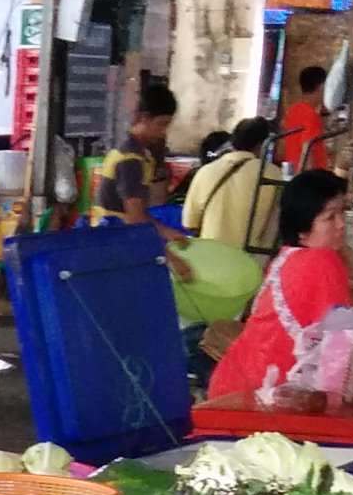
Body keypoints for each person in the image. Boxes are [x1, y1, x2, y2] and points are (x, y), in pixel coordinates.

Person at [208, 168, 353, 402]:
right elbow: (341, 344)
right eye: (330, 217)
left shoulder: (288, 257)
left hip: (234, 389)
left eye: (343, 213)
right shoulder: (322, 261)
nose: (342, 224)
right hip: (264, 399)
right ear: (302, 231)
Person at [173, 116, 281, 334]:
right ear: (261, 144)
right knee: (235, 334)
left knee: (202, 331)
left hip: (208, 268)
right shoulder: (272, 174)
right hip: (248, 271)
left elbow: (189, 223)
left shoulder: (206, 171)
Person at [97, 75, 179, 221]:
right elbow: (136, 216)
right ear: (144, 118)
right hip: (116, 236)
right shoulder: (130, 159)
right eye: (161, 124)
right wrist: (167, 233)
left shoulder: (134, 152)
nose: (163, 131)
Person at [279, 64, 331, 170]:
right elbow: (307, 150)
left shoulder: (292, 110)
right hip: (310, 176)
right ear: (321, 87)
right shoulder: (311, 115)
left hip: (293, 172)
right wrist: (309, 179)